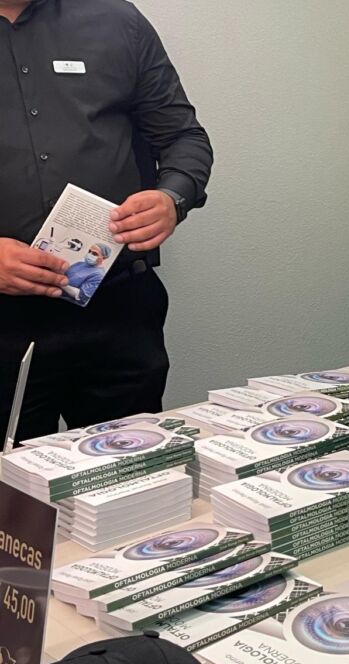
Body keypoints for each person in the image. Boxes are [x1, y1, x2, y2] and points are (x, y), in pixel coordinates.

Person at [0, 0, 212, 441]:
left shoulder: (117, 21)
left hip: (117, 308)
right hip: (4, 320)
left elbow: (182, 136)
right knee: (7, 480)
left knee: (130, 471)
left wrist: (171, 198)